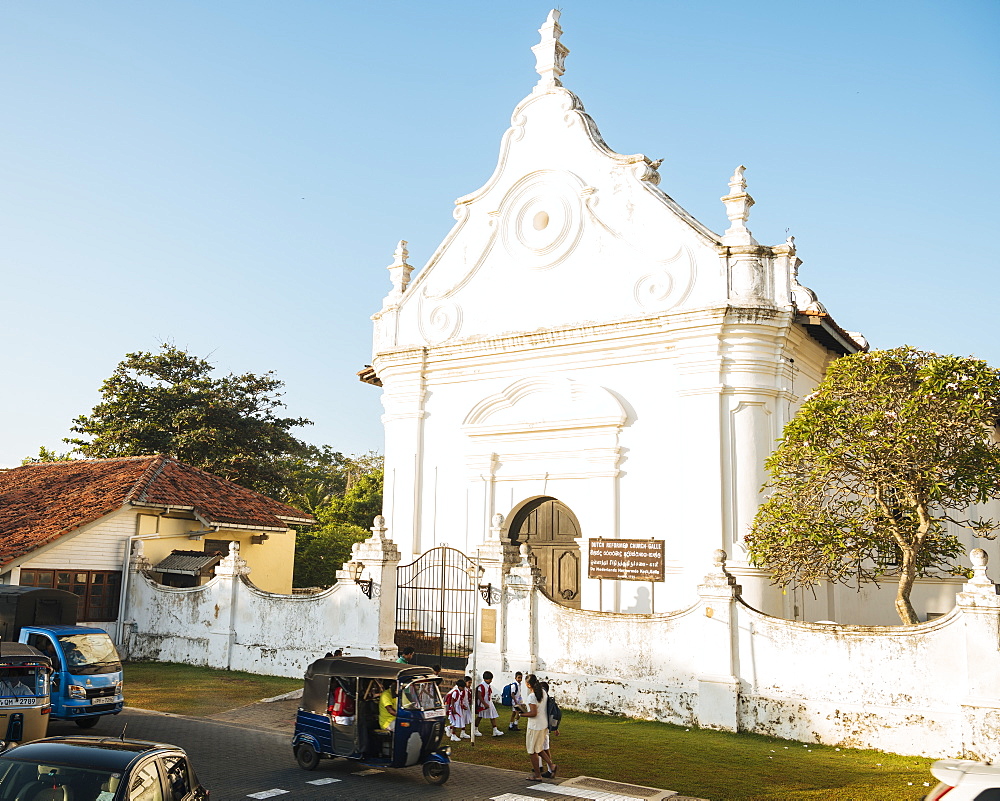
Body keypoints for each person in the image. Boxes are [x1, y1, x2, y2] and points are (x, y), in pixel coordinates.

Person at [522, 674, 556, 780]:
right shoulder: (543, 692)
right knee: (539, 748)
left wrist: (522, 714)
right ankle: (551, 765)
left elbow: (533, 713)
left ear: (528, 685)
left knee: (532, 751)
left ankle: (537, 775)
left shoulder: (532, 696)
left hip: (535, 726)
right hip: (543, 724)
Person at [475, 671, 504, 737]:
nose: (491, 681)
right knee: (480, 716)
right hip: (483, 703)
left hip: (489, 702)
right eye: (489, 679)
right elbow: (479, 696)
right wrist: (484, 703)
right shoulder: (481, 686)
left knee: (493, 715)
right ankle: (475, 729)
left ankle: (495, 730)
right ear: (485, 679)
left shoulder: (488, 685)